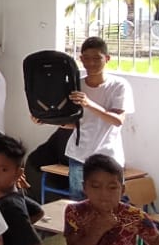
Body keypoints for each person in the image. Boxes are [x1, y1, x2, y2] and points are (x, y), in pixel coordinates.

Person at [56, 37, 132, 198]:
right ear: (81, 59)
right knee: (78, 204)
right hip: (78, 157)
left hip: (108, 157)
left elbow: (117, 120)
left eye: (97, 58)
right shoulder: (76, 85)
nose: (91, 63)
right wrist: (47, 120)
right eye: (86, 58)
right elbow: (75, 123)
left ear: (107, 58)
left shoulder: (119, 85)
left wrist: (89, 103)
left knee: (109, 202)